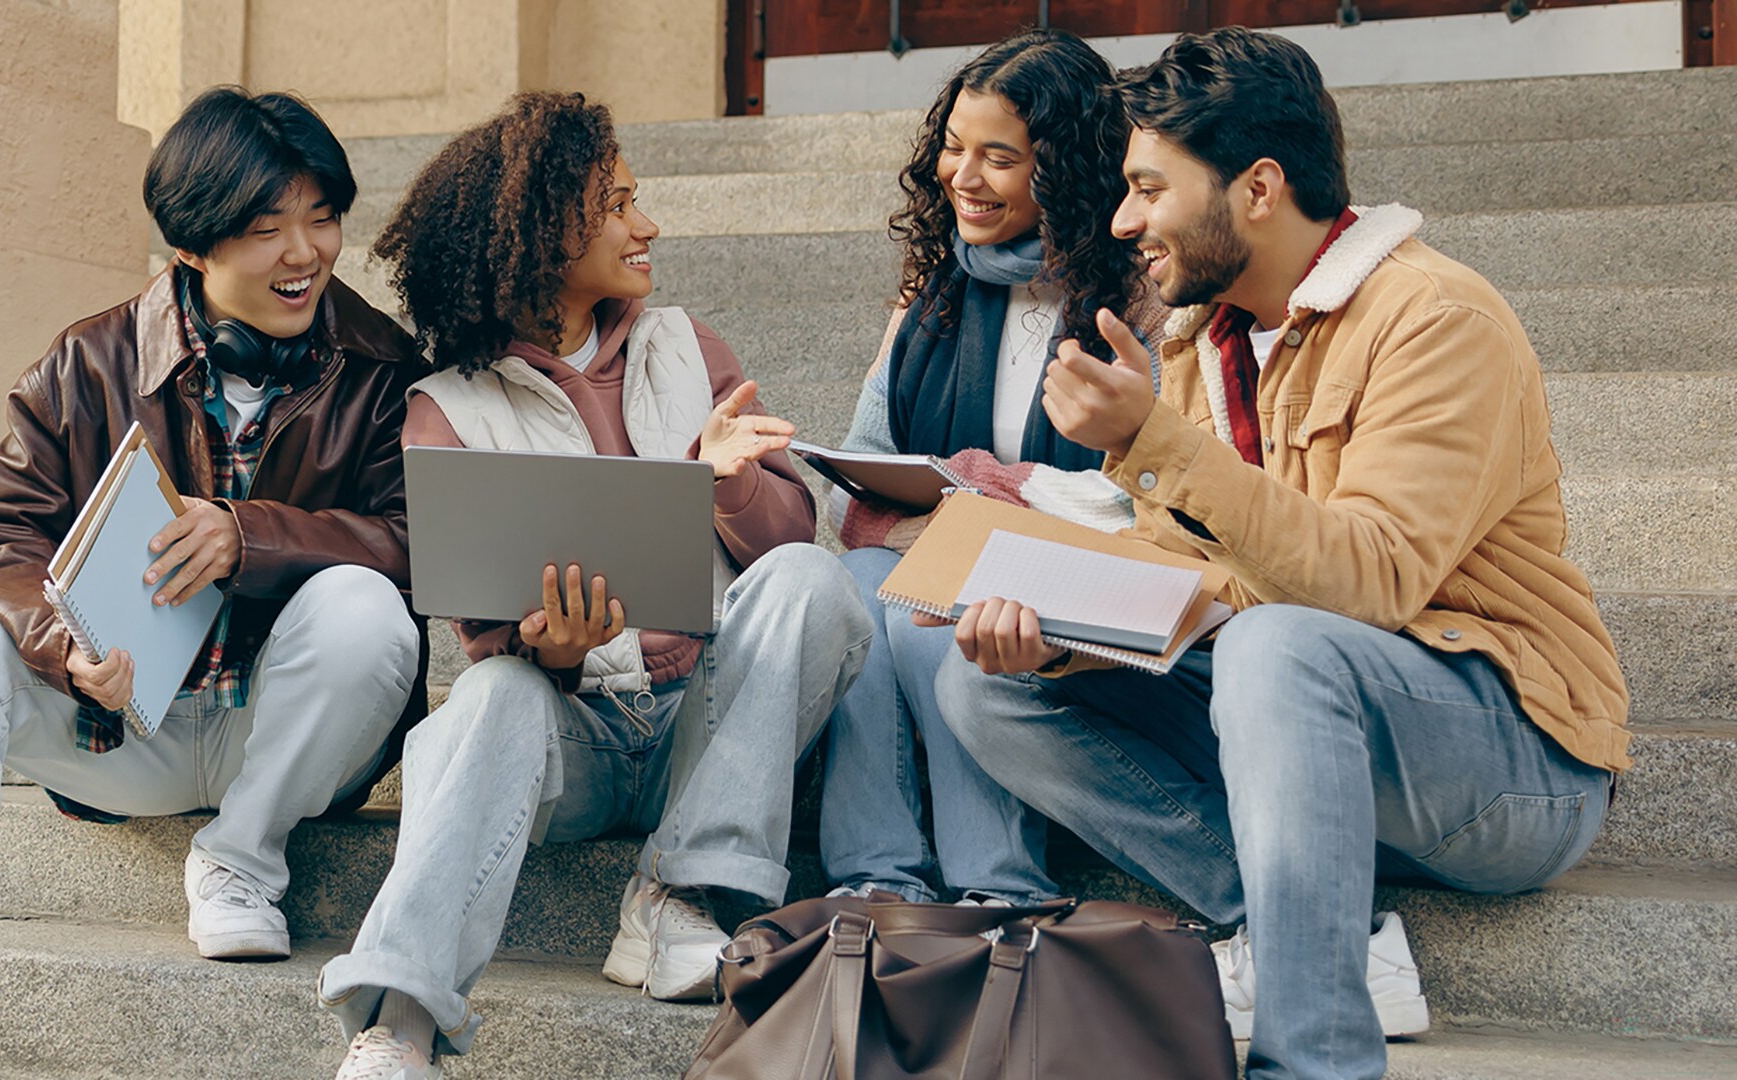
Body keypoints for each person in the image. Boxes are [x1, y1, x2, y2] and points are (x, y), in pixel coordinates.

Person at [931, 28, 1626, 1080]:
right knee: (987, 691)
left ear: (1258, 188)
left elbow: (1372, 582)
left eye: (1151, 189)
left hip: (1511, 762)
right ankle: (1298, 930)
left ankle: (1315, 1060)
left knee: (1277, 652)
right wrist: (1063, 640)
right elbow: (1194, 579)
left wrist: (1150, 445)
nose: (1123, 221)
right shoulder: (1195, 341)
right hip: (1305, 731)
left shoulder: (1434, 319)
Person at [0, 87, 428, 1080]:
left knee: (366, 608)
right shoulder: (88, 362)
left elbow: (420, 540)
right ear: (194, 245)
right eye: (266, 227)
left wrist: (252, 537)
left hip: (286, 731)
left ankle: (242, 859)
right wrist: (62, 644)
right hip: (118, 727)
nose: (307, 251)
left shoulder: (380, 370)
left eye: (322, 216)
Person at [318, 91, 870, 1080]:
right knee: (488, 696)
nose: (645, 224)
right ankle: (400, 1022)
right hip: (572, 743)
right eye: (616, 204)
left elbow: (796, 540)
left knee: (811, 584)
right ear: (539, 234)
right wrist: (552, 649)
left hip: (702, 728)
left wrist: (733, 488)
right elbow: (485, 639)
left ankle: (676, 893)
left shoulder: (689, 351)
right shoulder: (447, 411)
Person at [817, 28, 1157, 908]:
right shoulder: (931, 300)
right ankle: (877, 876)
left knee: (941, 589)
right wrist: (975, 511)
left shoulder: (1141, 303)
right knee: (856, 581)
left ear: (1068, 167)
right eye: (953, 148)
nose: (962, 176)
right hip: (960, 576)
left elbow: (1146, 504)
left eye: (997, 157)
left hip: (1083, 602)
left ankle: (1000, 883)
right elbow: (858, 497)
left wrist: (984, 498)